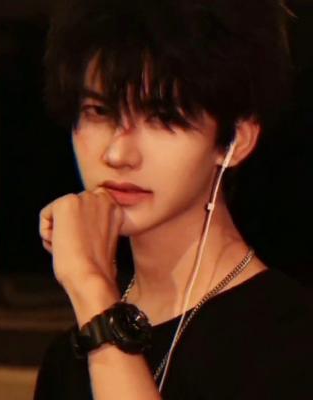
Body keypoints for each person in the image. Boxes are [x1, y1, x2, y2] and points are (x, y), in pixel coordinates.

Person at [34, 0, 313, 399]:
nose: (118, 154)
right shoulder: (68, 359)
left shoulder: (292, 340)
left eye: (162, 118)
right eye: (99, 111)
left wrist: (93, 291)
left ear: (235, 139)